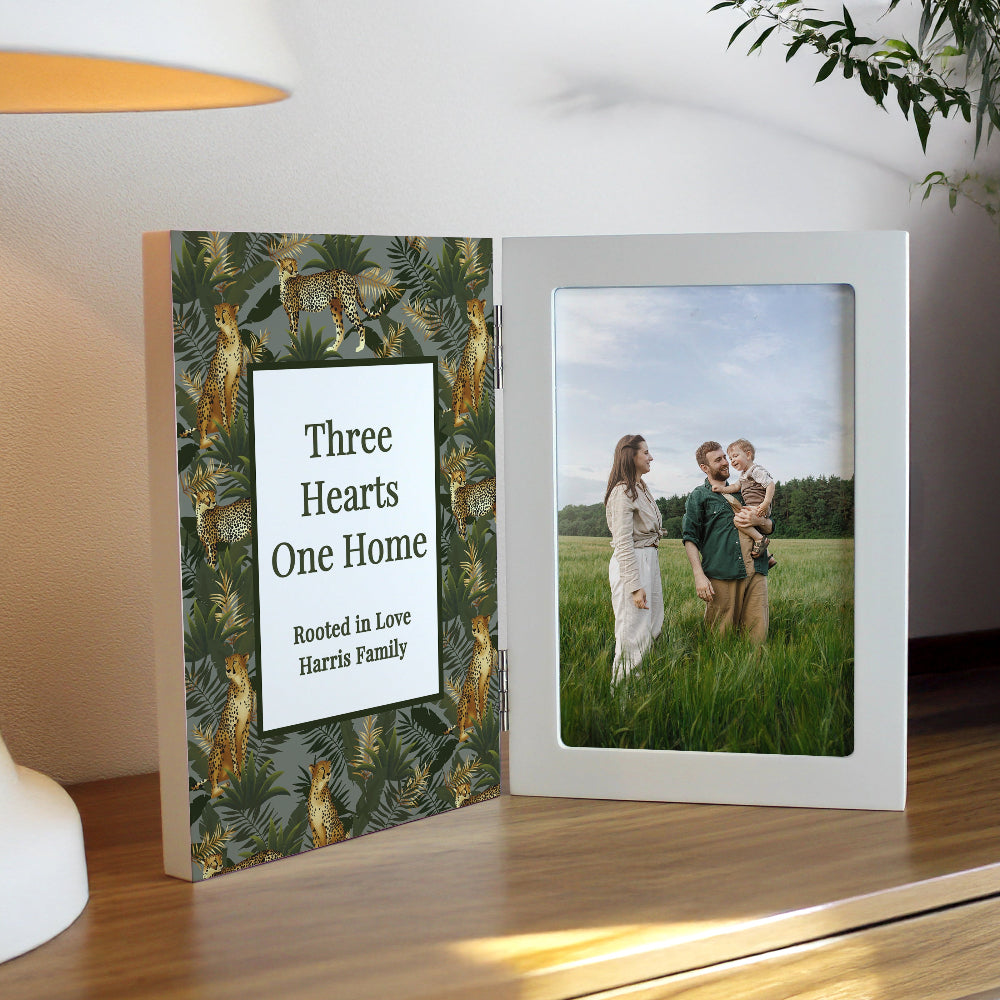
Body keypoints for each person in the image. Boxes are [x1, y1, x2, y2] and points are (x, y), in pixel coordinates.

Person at [681, 440, 773, 644]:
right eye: (718, 460)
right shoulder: (699, 496)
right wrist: (698, 575)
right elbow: (690, 537)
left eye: (725, 457)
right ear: (704, 468)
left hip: (756, 571)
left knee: (757, 640)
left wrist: (759, 521)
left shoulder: (745, 488)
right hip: (722, 573)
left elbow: (769, 526)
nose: (725, 462)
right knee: (719, 639)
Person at [604, 434, 664, 683]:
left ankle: (639, 688)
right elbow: (623, 542)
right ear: (631, 456)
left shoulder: (641, 488)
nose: (651, 457)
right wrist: (634, 585)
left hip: (649, 559)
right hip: (633, 563)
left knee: (652, 627)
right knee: (632, 633)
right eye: (646, 452)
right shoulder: (622, 492)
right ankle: (622, 694)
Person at [711, 438, 775, 559]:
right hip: (753, 507)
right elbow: (735, 487)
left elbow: (770, 484)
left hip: (759, 507)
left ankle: (760, 539)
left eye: (735, 456)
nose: (732, 460)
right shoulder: (743, 475)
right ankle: (768, 558)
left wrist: (766, 503)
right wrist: (721, 489)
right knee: (745, 524)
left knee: (738, 520)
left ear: (748, 455)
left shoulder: (756, 470)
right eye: (730, 458)